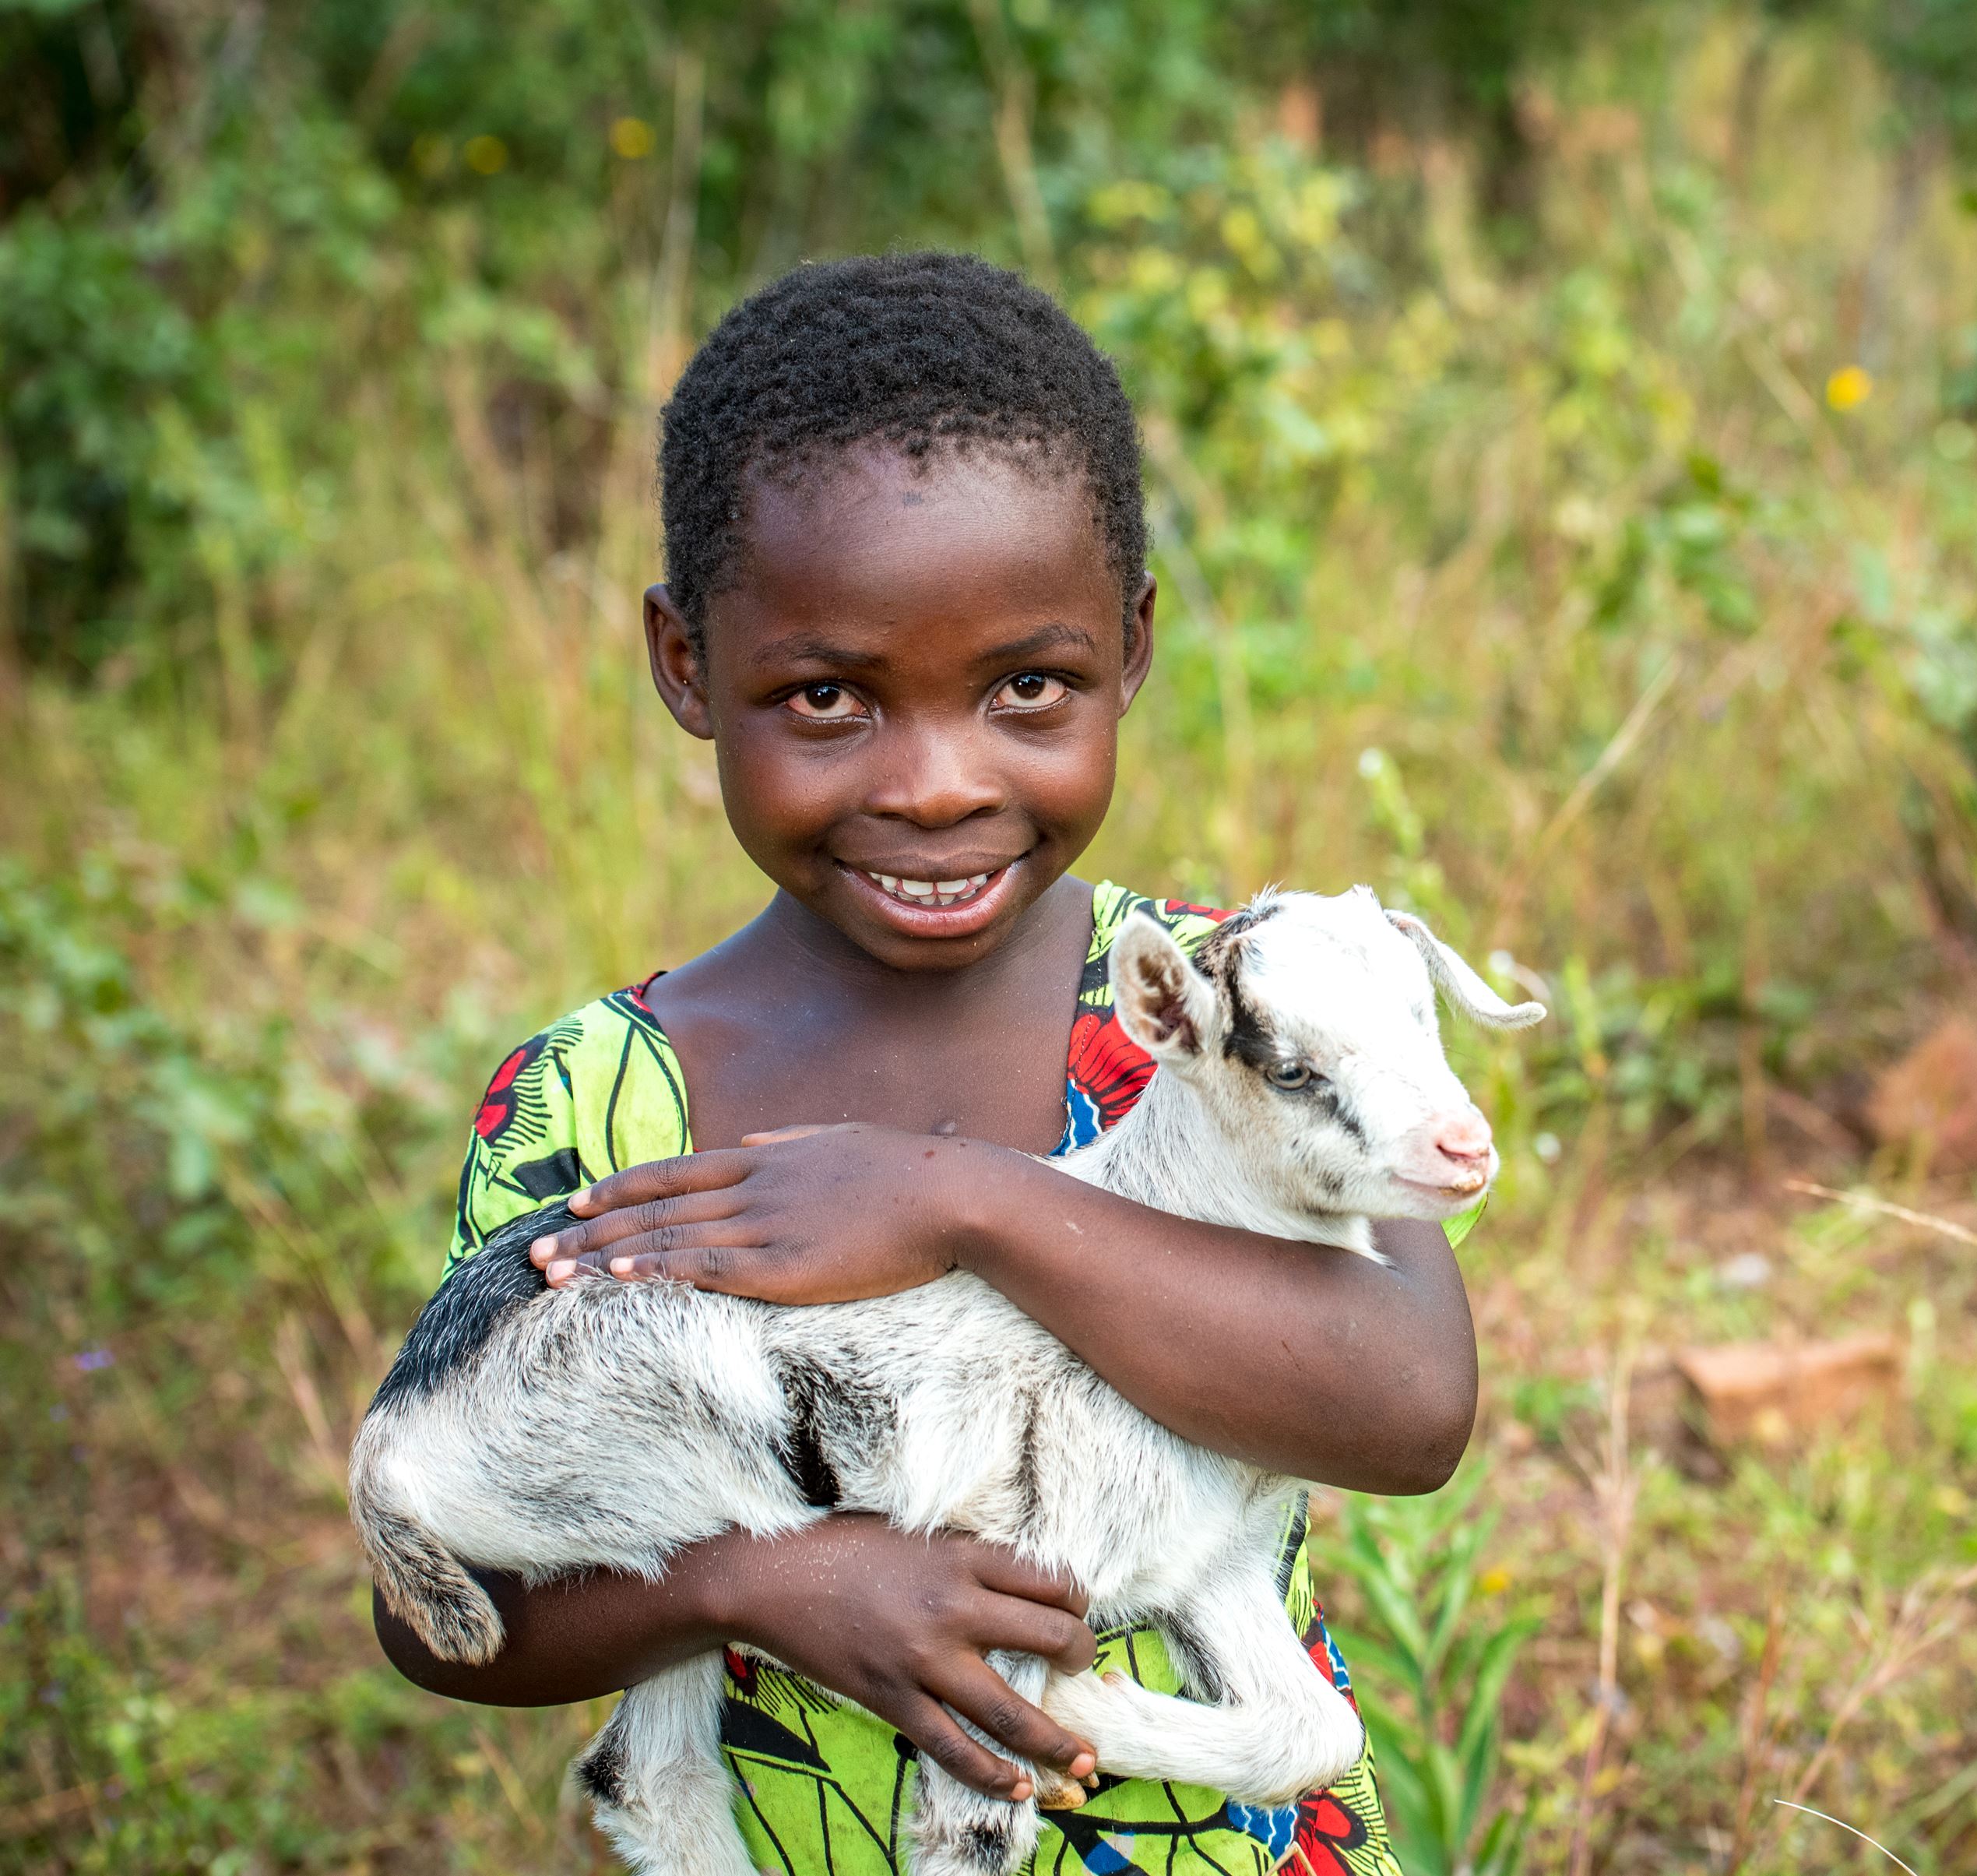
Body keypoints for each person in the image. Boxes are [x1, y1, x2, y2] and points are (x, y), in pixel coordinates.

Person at [373, 251, 1477, 1876]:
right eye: (828, 695)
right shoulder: (597, 1097)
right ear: (687, 663)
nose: (940, 784)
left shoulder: (1245, 1004)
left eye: (1025, 686)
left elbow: (1408, 1408)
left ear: (1132, 644)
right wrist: (752, 1580)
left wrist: (960, 1201)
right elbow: (442, 1609)